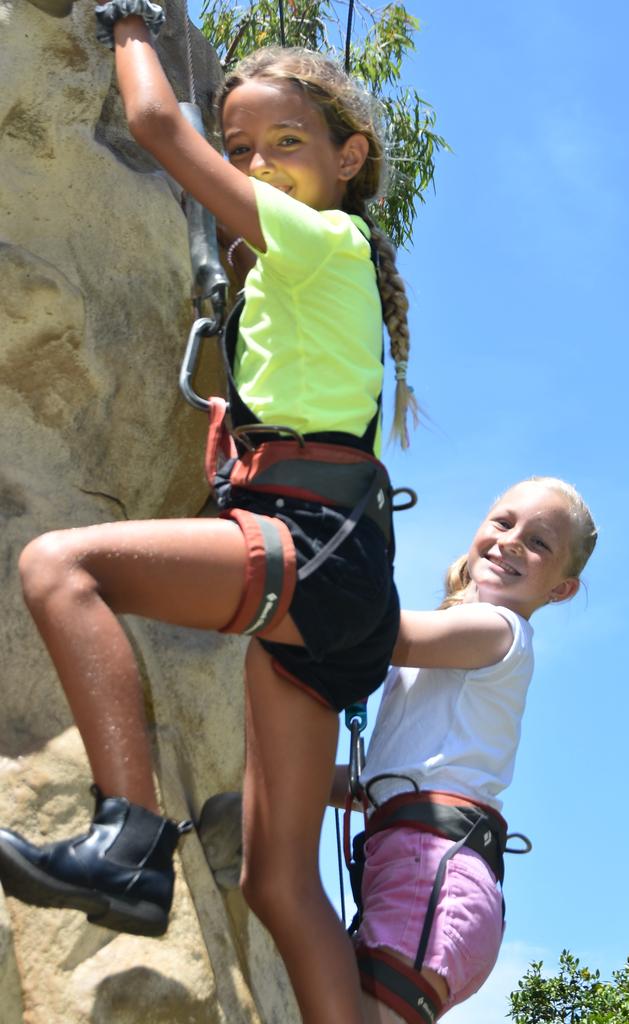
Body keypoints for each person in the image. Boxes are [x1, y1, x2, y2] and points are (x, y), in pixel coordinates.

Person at [0, 8, 417, 1022]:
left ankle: (128, 837)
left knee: (62, 567)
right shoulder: (304, 275)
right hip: (337, 568)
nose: (258, 165)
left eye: (286, 144)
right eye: (242, 150)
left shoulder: (320, 239)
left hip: (312, 546)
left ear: (349, 157)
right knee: (278, 883)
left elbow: (154, 125)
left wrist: (133, 23)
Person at [337, 476, 598, 1023]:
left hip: (431, 871)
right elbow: (378, 783)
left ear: (561, 589)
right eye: (503, 523)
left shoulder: (498, 629)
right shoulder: (452, 651)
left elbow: (384, 636)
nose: (510, 541)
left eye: (539, 543)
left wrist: (326, 571)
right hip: (422, 869)